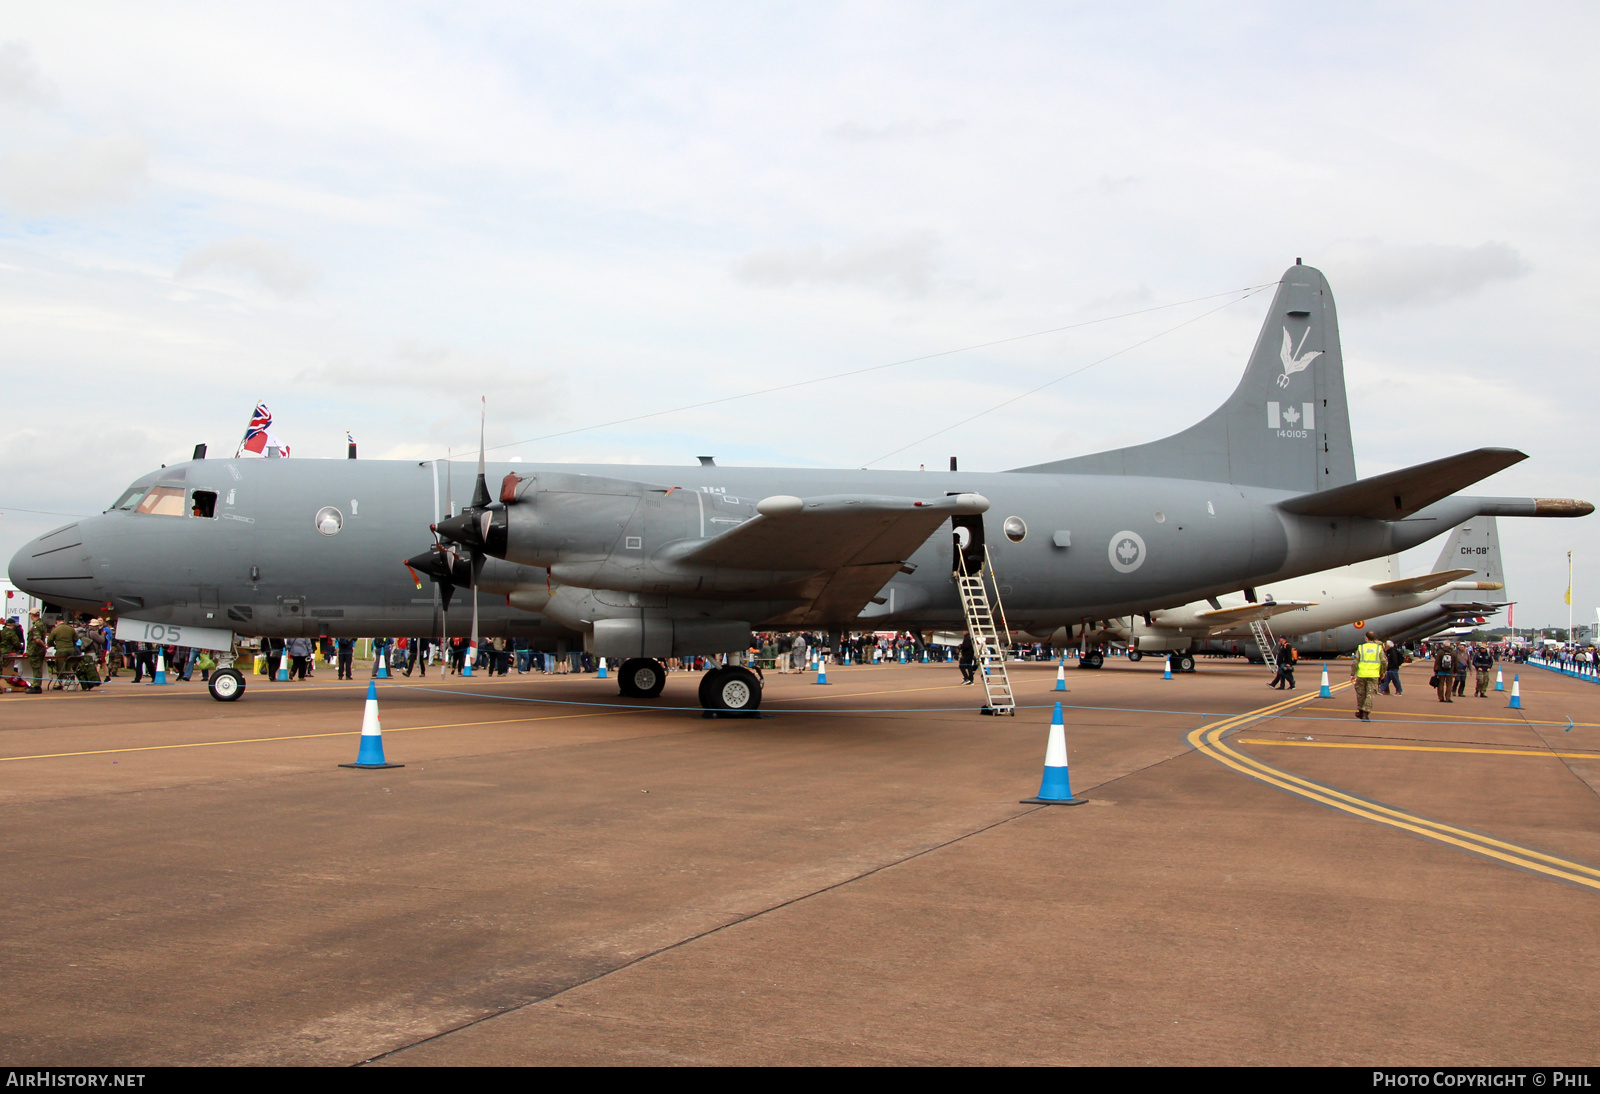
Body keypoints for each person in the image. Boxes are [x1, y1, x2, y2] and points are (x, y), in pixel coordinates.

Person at [1349, 629, 1384, 720]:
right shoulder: (1378, 648)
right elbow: (1384, 661)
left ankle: (1361, 711)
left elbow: (1355, 661)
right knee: (1370, 694)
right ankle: (1365, 712)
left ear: (1366, 638)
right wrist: (1383, 671)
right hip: (1374, 674)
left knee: (1361, 693)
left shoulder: (1361, 648)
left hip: (1362, 674)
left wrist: (1353, 673)